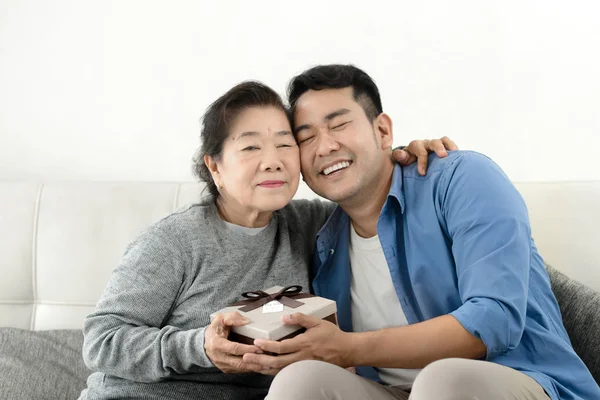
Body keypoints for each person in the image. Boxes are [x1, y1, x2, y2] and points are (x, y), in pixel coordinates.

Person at [78, 80, 455, 400]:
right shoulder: (175, 240)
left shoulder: (313, 223)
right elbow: (101, 340)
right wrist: (200, 347)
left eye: (285, 144)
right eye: (251, 147)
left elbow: (369, 191)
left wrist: (403, 156)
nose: (272, 161)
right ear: (215, 166)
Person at [240, 65, 600, 400]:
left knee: (443, 380)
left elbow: (495, 319)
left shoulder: (461, 179)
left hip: (516, 381)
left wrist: (348, 346)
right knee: (300, 381)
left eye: (339, 125)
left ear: (382, 131)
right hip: (398, 392)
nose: (325, 146)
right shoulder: (325, 241)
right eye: (306, 138)